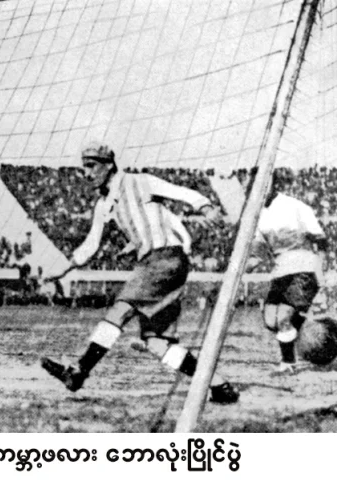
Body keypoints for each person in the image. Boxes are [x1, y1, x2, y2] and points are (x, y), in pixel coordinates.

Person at [40, 143, 239, 404]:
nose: (87, 173)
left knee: (119, 310)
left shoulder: (139, 182)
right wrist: (61, 269)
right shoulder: (103, 204)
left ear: (108, 165)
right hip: (160, 262)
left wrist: (205, 206)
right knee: (156, 343)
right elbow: (91, 244)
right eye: (84, 168)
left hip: (164, 258)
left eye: (91, 166)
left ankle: (79, 371)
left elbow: (180, 192)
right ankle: (219, 385)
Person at [248, 168, 327, 374]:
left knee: (283, 318)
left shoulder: (295, 206)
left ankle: (288, 363)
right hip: (280, 270)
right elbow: (257, 253)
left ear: (273, 184)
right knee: (270, 321)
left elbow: (320, 241)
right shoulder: (255, 213)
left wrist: (320, 274)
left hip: (304, 267)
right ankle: (320, 331)